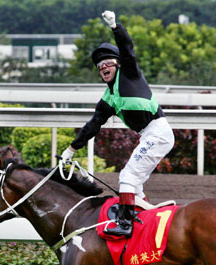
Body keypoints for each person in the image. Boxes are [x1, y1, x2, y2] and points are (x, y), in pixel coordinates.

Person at [61, 10, 175, 238]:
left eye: (107, 62)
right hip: (149, 135)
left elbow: (127, 48)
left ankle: (125, 224)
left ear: (118, 64)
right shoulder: (108, 99)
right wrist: (71, 149)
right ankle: (146, 219)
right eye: (99, 66)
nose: (103, 67)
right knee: (135, 185)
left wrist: (115, 27)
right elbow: (93, 125)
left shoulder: (129, 73)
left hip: (158, 132)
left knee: (127, 177)